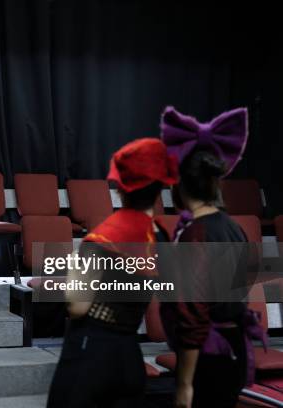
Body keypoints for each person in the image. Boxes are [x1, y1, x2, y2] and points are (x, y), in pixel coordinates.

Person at [47, 138, 178, 408]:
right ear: (159, 189)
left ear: (119, 188)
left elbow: (77, 305)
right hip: (129, 353)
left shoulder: (103, 237)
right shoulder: (161, 236)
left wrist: (73, 267)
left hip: (91, 353)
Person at [159, 106, 264, 408]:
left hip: (208, 355)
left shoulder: (197, 235)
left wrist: (184, 383)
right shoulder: (234, 228)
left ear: (179, 186)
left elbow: (194, 316)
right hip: (232, 349)